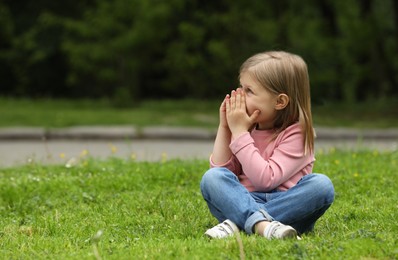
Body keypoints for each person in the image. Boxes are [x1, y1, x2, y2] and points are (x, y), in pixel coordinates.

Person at [200, 51, 335, 240]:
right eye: (241, 87)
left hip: (288, 203)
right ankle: (264, 226)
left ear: (280, 101)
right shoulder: (247, 128)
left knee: (321, 186)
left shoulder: (299, 133)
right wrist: (225, 127)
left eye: (249, 91)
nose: (240, 95)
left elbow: (266, 179)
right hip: (243, 199)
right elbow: (224, 170)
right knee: (213, 177)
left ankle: (240, 223)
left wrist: (240, 134)